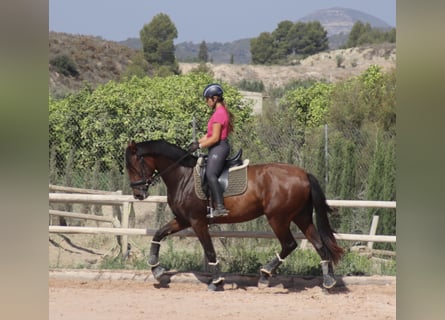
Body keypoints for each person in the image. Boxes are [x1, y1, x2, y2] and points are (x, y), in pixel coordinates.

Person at [189, 83, 233, 218]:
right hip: (216, 146)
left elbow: (214, 138)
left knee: (210, 174)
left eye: (207, 99)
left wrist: (200, 146)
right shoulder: (218, 113)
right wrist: (197, 142)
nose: (206, 102)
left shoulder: (219, 114)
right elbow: (208, 135)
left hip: (219, 147)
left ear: (214, 98)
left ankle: (220, 207)